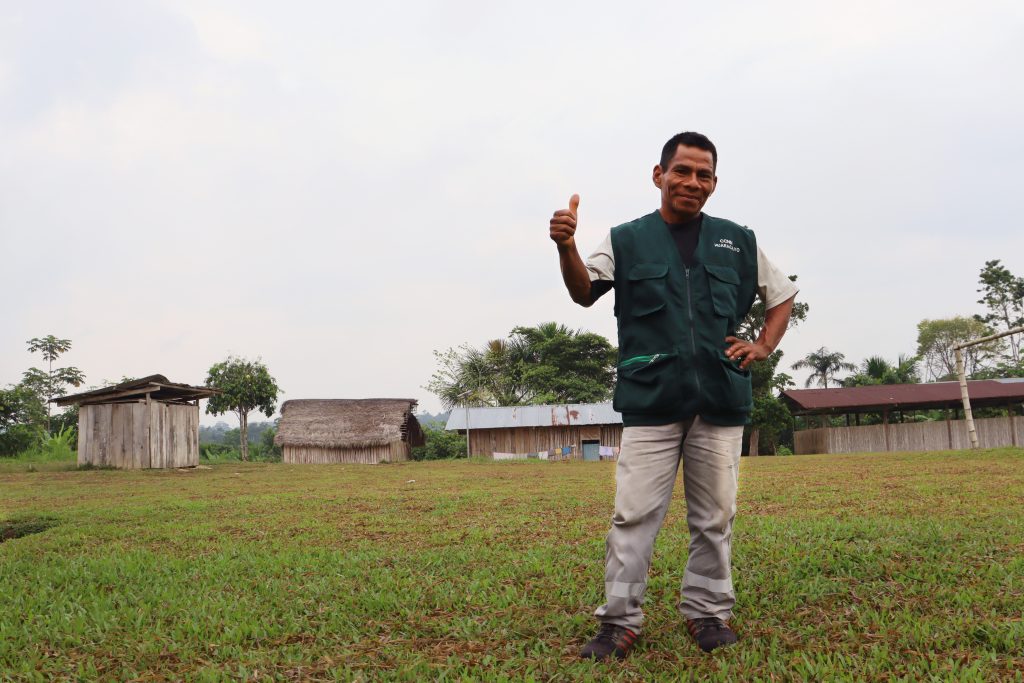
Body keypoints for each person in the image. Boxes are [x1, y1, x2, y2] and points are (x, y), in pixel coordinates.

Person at [548, 131, 798, 660]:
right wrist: (567, 246)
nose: (692, 182)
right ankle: (618, 623)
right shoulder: (624, 238)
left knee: (714, 518)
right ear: (658, 175)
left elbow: (782, 296)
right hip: (650, 400)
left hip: (720, 401)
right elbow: (583, 291)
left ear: (714, 183)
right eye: (681, 171)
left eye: (703, 174)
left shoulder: (738, 240)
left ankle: (708, 614)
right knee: (633, 517)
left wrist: (763, 345)